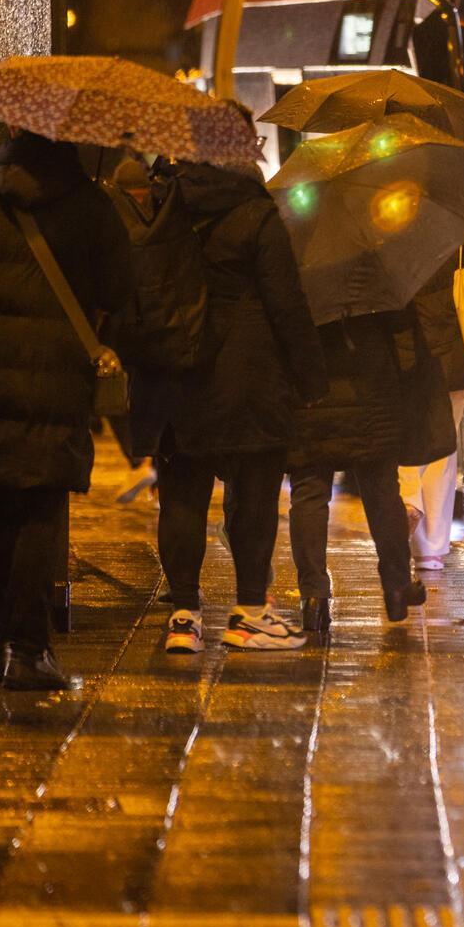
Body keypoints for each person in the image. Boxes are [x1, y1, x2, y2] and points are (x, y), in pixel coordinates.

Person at [0, 130, 131, 690]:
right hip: (55, 379)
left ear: (14, 136)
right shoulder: (89, 202)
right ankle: (32, 650)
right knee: (41, 511)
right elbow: (121, 289)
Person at [149, 150, 326, 656]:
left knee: (182, 495)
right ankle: (249, 614)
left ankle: (183, 616)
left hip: (179, 372)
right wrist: (311, 378)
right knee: (253, 499)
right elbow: (285, 301)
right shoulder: (256, 213)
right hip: (250, 379)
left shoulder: (167, 205)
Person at [289, 305, 455, 631]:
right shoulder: (370, 264)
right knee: (381, 491)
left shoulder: (298, 263)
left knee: (309, 491)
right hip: (371, 387)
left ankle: (313, 596)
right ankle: (396, 587)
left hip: (310, 390)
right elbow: (400, 321)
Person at [400, 237, 464, 572]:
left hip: (404, 356)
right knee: (444, 450)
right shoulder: (455, 230)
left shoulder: (383, 226)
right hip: (450, 353)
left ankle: (408, 501)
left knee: (405, 440)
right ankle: (431, 550)